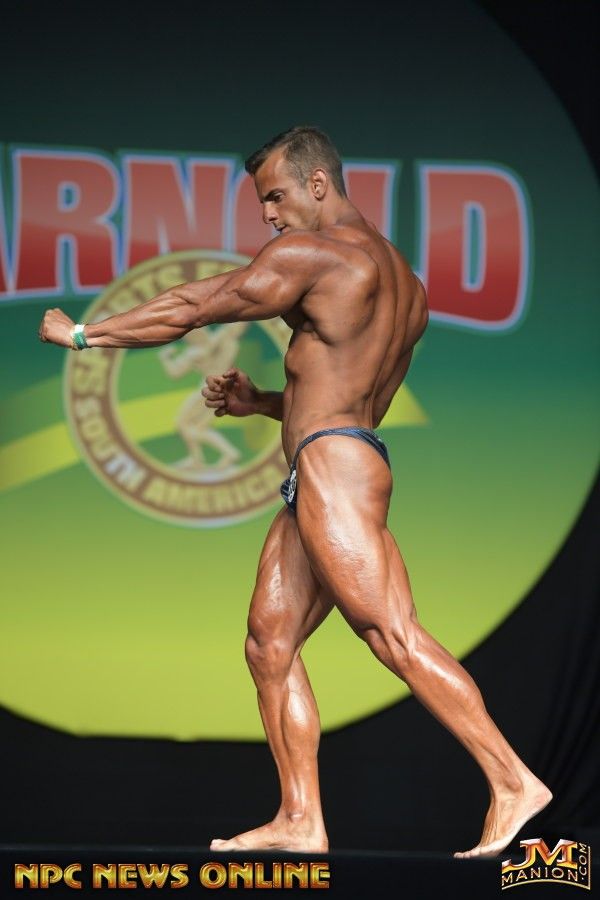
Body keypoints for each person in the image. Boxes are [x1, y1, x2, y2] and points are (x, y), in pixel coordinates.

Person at [39, 126, 552, 857]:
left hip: (332, 471)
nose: (268, 216)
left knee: (393, 634)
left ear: (319, 184)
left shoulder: (314, 256)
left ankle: (511, 781)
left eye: (276, 197)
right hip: (337, 458)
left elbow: (195, 304)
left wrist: (84, 335)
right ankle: (301, 816)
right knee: (269, 642)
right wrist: (261, 404)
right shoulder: (407, 286)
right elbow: (353, 400)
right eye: (262, 203)